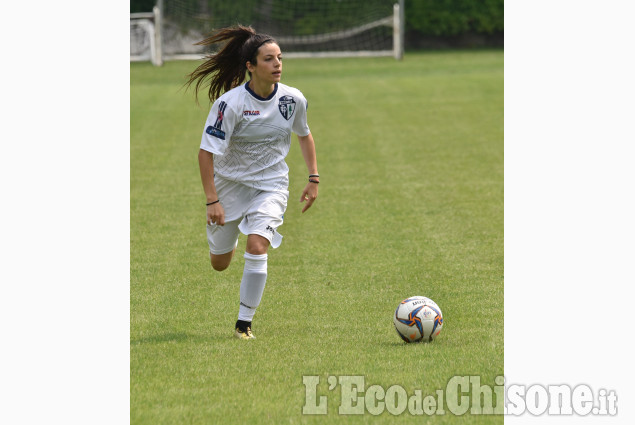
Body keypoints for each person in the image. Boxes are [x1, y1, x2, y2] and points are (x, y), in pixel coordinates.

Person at [185, 25, 320, 340]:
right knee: (219, 263)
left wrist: (313, 177)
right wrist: (212, 200)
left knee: (258, 244)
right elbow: (206, 154)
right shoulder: (229, 105)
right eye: (269, 59)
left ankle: (243, 324)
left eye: (280, 58)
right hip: (229, 187)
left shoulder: (292, 99)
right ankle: (228, 238)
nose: (277, 65)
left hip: (270, 185)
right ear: (250, 66)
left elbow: (304, 133)